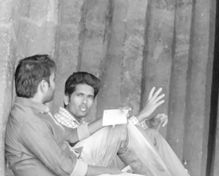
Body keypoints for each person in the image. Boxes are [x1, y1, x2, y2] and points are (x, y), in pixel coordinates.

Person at [4, 54, 133, 176]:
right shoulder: (29, 121)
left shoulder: (37, 112)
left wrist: (110, 117)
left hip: (72, 165)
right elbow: (65, 168)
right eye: (53, 80)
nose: (55, 86)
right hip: (69, 171)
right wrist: (110, 172)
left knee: (119, 130)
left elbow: (72, 135)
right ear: (43, 86)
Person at [52, 73, 188, 176]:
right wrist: (140, 116)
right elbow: (74, 142)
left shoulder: (84, 124)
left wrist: (147, 123)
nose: (84, 102)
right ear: (66, 98)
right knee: (118, 126)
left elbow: (119, 138)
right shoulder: (56, 121)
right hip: (79, 168)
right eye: (79, 95)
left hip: (98, 162)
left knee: (152, 135)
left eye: (89, 97)